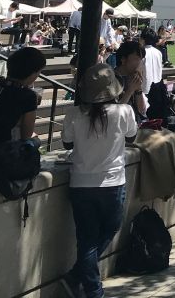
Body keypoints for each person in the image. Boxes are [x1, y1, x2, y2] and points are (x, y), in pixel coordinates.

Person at [61, 63, 138, 298]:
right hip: (112, 182)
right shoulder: (123, 112)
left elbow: (67, 144)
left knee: (86, 238)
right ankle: (92, 289)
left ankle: (79, 278)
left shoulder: (74, 113)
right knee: (109, 229)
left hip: (81, 183)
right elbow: (132, 137)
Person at [112, 39, 147, 121]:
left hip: (133, 126)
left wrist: (138, 89)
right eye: (136, 59)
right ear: (123, 59)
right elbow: (114, 112)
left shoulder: (133, 77)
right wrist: (130, 90)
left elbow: (141, 110)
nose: (139, 63)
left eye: (141, 59)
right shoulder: (112, 78)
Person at [139, 30, 164, 107]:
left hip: (145, 87)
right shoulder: (158, 52)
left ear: (143, 39)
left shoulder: (141, 52)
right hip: (157, 84)